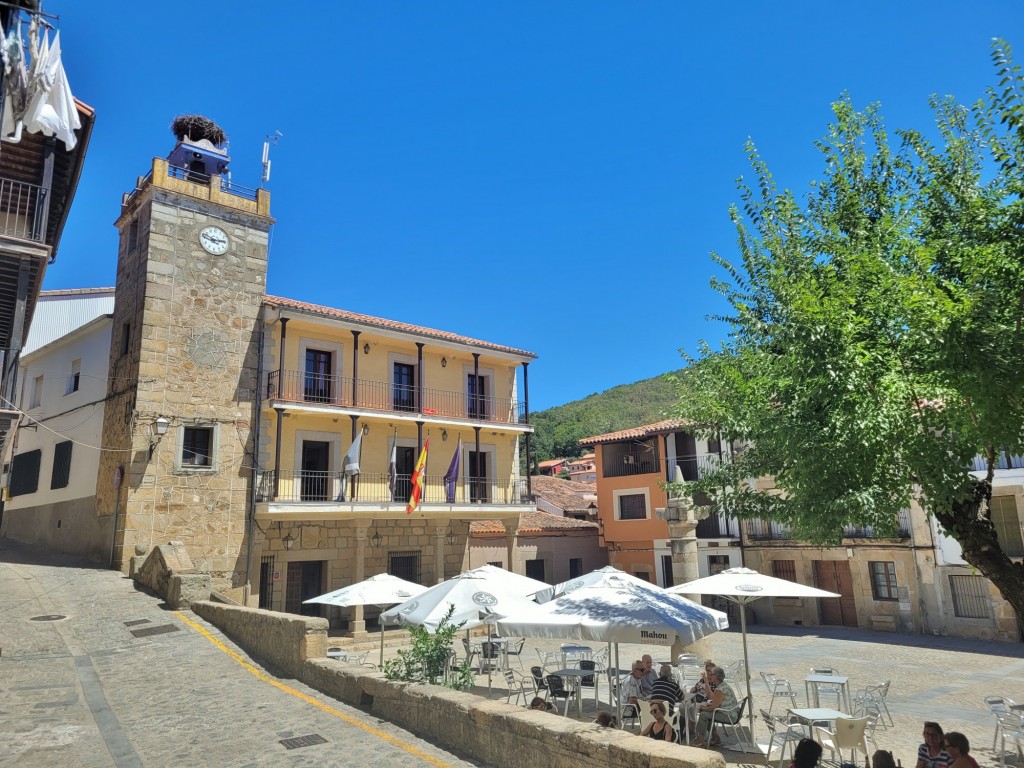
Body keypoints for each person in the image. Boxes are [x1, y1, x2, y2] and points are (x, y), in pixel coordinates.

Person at [692, 666, 738, 747]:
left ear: (716, 676)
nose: (710, 675)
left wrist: (704, 708)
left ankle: (700, 740)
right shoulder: (724, 685)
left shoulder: (720, 689)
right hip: (732, 713)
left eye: (712, 674)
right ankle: (715, 737)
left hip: (728, 715)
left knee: (703, 715)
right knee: (708, 714)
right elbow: (715, 702)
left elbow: (713, 707)